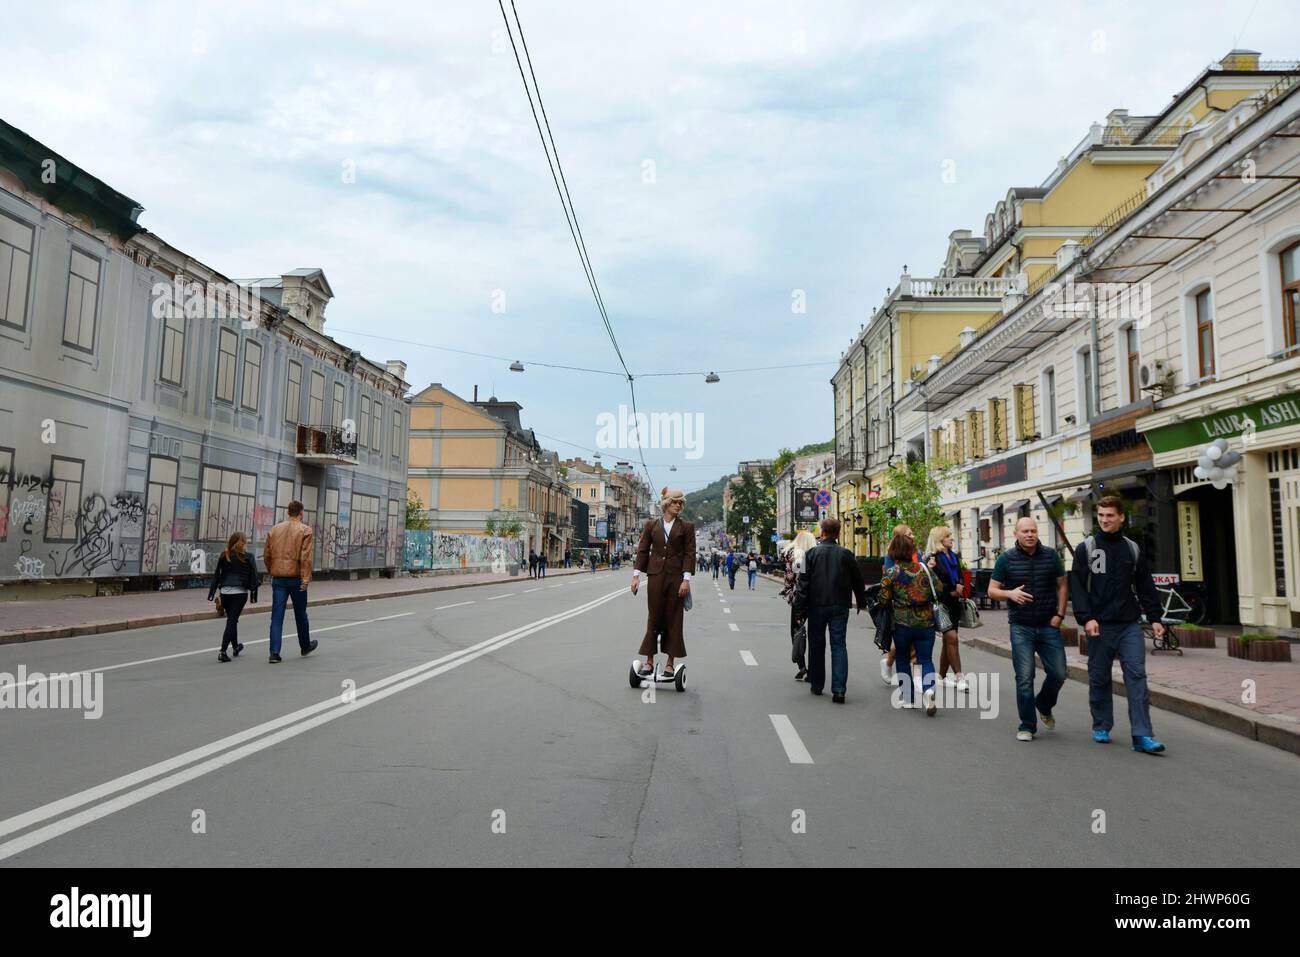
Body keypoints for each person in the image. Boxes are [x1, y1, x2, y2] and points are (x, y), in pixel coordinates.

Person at [1070, 496, 1168, 755]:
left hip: (1128, 625)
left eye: (1110, 516)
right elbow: (1077, 586)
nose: (1104, 520)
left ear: (1121, 517)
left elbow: (1145, 585)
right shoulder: (1086, 548)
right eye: (1101, 515)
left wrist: (1156, 618)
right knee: (1099, 677)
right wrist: (1086, 617)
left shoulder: (1132, 549)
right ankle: (1101, 724)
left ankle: (1142, 735)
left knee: (1136, 676)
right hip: (1099, 625)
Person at [989, 517, 1069, 742]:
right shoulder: (1006, 559)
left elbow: (1063, 584)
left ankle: (1043, 704)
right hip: (1021, 627)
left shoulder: (1051, 555)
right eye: (1025, 531)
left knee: (1059, 673)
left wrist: (1059, 615)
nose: (1030, 534)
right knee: (1025, 677)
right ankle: (1027, 724)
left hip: (1048, 625)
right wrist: (1010, 594)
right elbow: (992, 590)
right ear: (1016, 534)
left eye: (1033, 530)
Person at [794, 518, 868, 704]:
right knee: (839, 645)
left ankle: (817, 685)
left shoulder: (810, 554)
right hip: (840, 605)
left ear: (823, 532)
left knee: (817, 645)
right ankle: (839, 690)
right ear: (838, 533)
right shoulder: (847, 554)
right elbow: (858, 580)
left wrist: (799, 610)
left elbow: (803, 584)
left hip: (816, 606)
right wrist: (860, 601)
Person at [631, 488, 695, 680]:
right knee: (654, 616)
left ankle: (669, 664)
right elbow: (643, 551)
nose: (679, 505)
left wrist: (686, 580)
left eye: (681, 503)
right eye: (676, 502)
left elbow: (690, 554)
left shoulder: (686, 527)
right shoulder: (652, 525)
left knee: (674, 618)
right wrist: (636, 576)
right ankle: (649, 662)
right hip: (656, 576)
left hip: (676, 577)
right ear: (667, 504)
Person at [879, 530, 939, 716]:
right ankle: (929, 690)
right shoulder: (924, 569)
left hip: (902, 625)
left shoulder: (891, 573)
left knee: (903, 659)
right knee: (926, 659)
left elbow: (883, 599)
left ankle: (908, 699)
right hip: (926, 623)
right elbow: (939, 589)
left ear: (894, 552)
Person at [263, 500, 318, 663]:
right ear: (301, 513)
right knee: (300, 613)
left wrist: (271, 569)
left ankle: (274, 652)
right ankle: (305, 646)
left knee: (277, 616)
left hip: (278, 578)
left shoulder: (275, 529)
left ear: (288, 512)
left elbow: (267, 554)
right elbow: (305, 557)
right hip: (296, 578)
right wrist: (306, 578)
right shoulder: (305, 530)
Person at [924, 525, 971, 693]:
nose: (952, 538)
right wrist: (950, 588)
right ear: (939, 539)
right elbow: (931, 581)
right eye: (948, 536)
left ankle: (941, 676)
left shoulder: (953, 556)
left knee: (947, 641)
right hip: (941, 604)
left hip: (954, 603)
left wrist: (959, 585)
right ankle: (960, 676)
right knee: (952, 638)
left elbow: (959, 574)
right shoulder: (932, 558)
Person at [208, 531, 259, 662]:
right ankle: (223, 651)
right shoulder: (248, 557)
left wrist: (212, 592)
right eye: (245, 541)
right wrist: (253, 593)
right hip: (239, 594)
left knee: (232, 619)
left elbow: (217, 575)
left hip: (225, 593)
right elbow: (254, 576)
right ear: (243, 543)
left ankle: (236, 647)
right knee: (231, 621)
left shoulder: (224, 556)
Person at [880, 524, 919, 686]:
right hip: (901, 604)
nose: (913, 536)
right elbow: (892, 577)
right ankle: (915, 679)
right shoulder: (891, 555)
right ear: (901, 537)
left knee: (912, 641)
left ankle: (891, 663)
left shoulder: (918, 553)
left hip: (918, 602)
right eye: (910, 533)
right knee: (909, 643)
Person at [781, 530, 818, 681]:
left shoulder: (795, 554)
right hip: (815, 599)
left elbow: (793, 577)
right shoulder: (813, 554)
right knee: (815, 636)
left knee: (797, 632)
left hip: (799, 599)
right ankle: (813, 669)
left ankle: (802, 665)